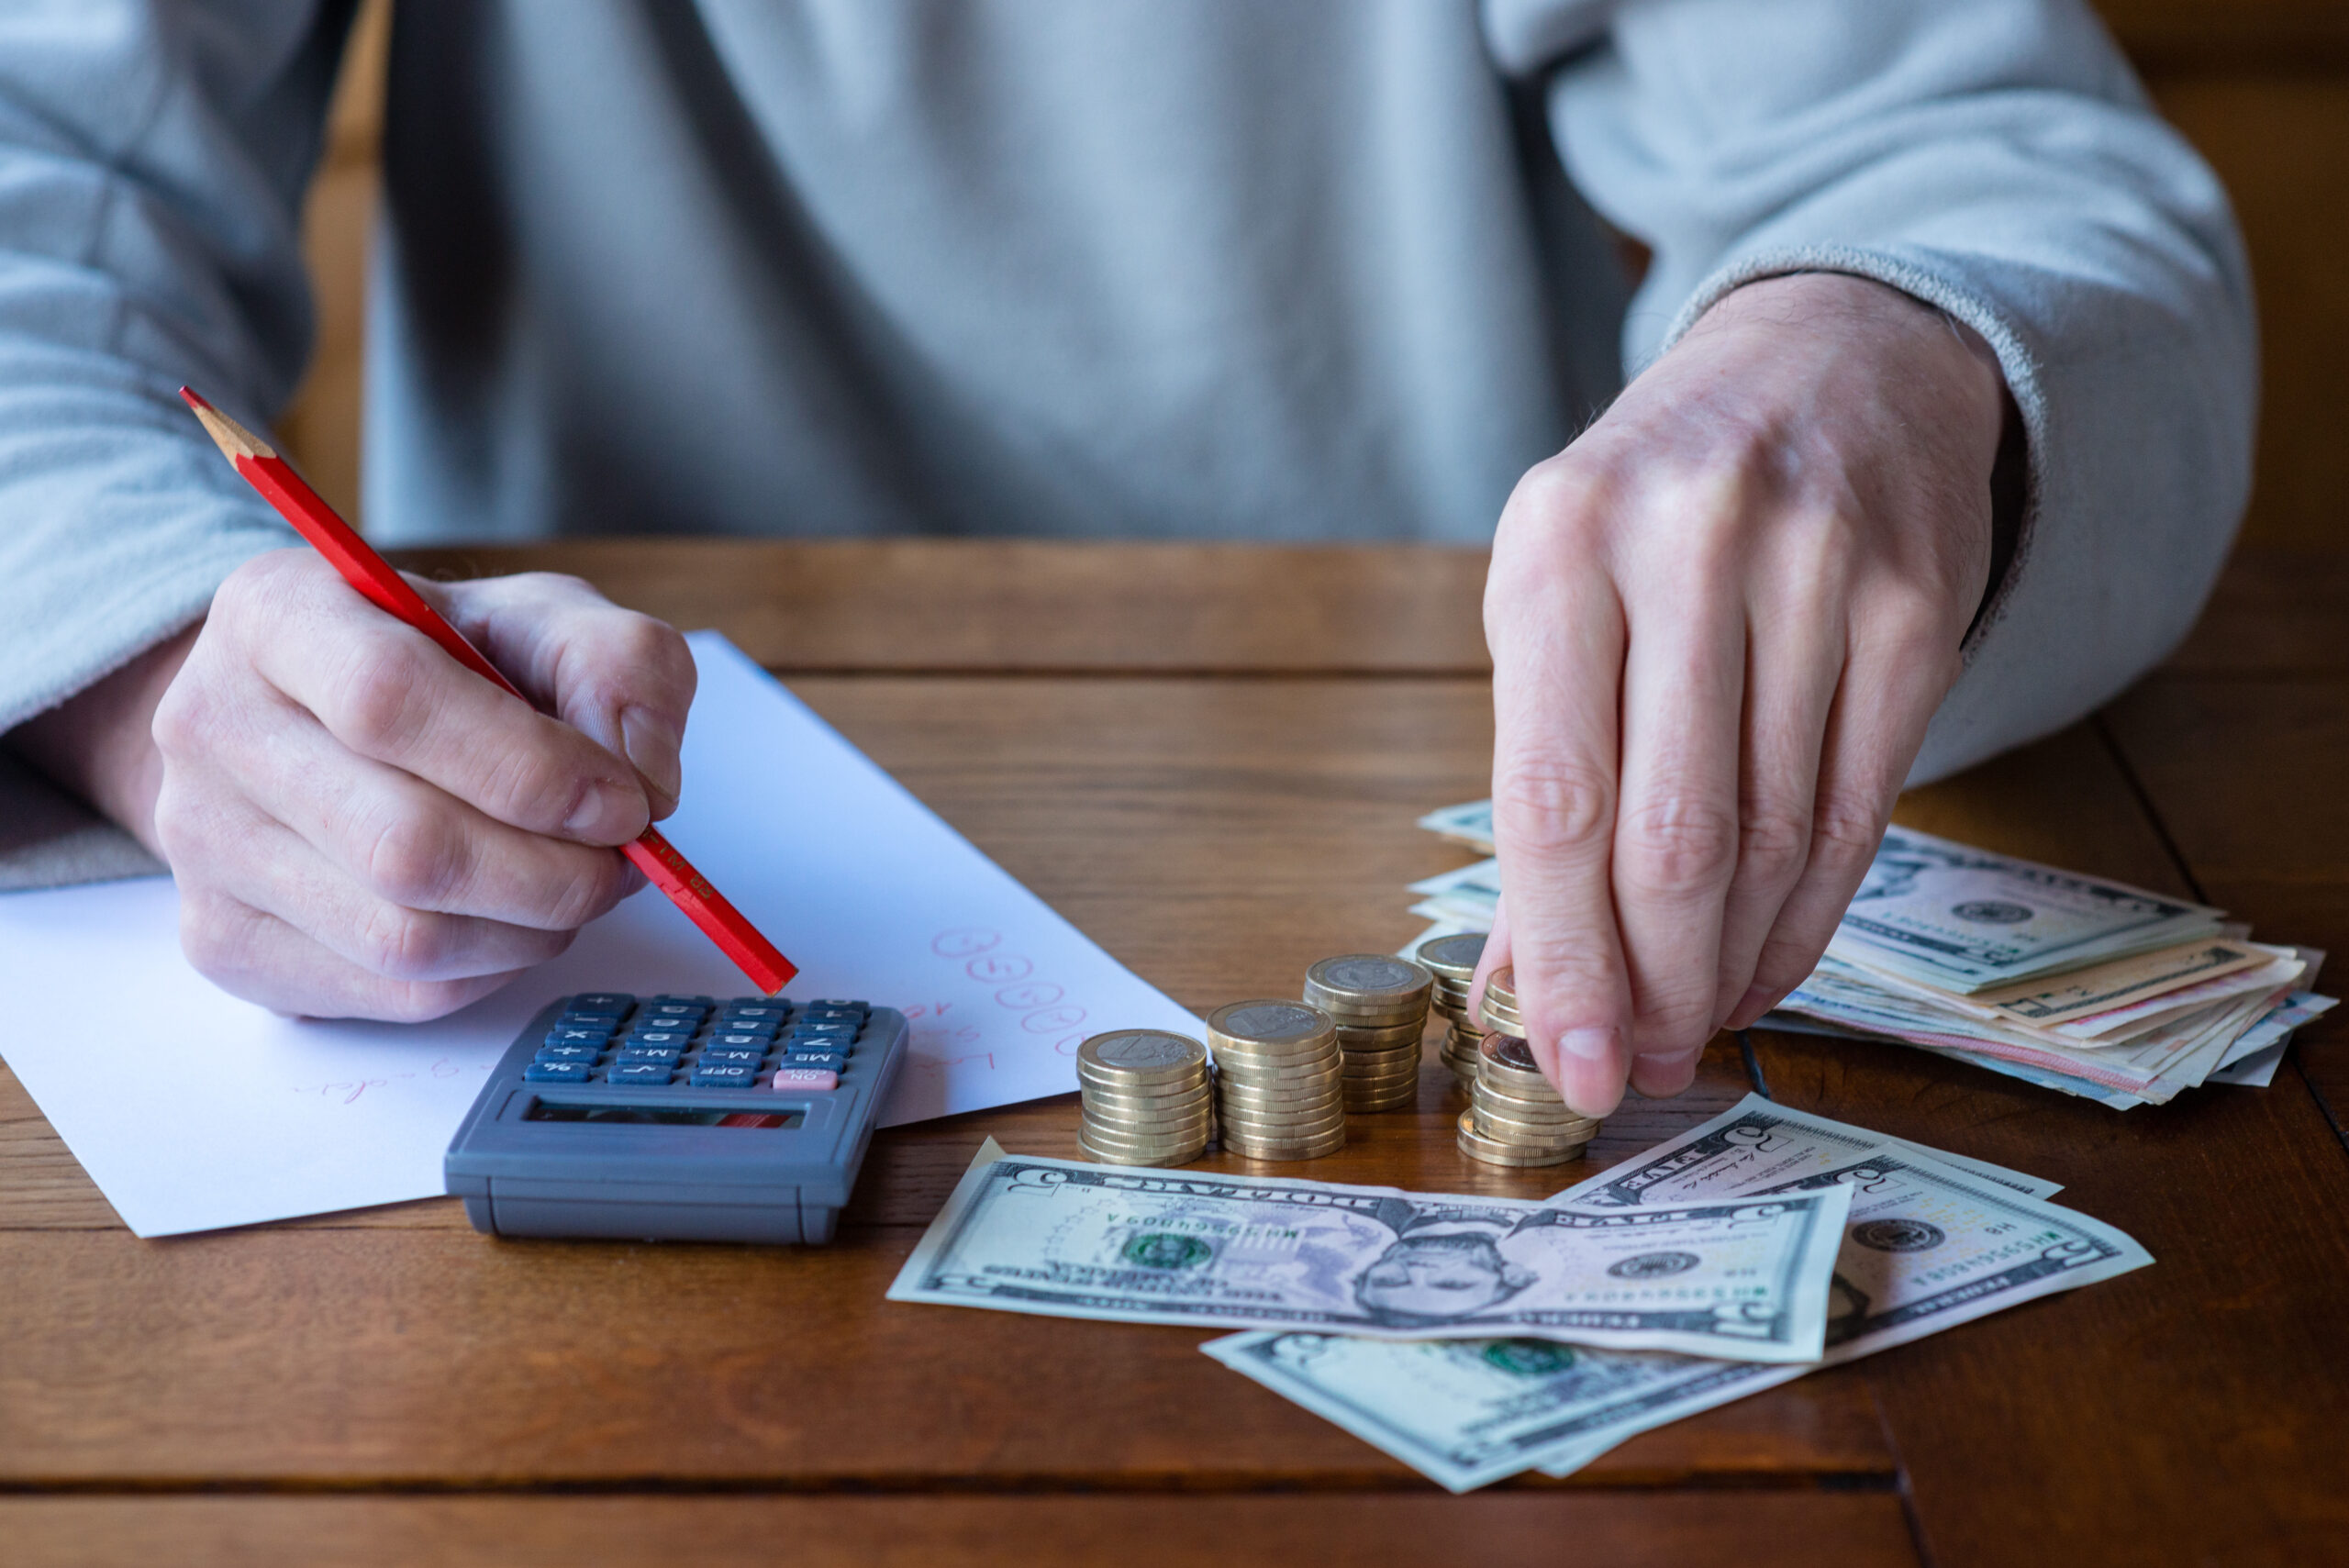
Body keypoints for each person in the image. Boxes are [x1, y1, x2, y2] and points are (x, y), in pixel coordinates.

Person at [0, 2, 2254, 1120]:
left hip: (1420, 759)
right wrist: (150, 662)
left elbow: (1978, 150)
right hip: (601, 869)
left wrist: (1891, 344)